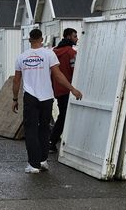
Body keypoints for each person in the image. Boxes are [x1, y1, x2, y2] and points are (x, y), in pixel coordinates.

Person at [12, 28, 82, 174]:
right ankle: (43, 161)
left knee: (31, 130)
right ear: (42, 39)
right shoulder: (49, 54)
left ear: (29, 40)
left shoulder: (21, 57)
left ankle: (33, 164)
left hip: (30, 97)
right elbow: (58, 75)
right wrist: (72, 89)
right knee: (44, 128)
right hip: (47, 97)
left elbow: (16, 81)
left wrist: (14, 99)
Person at [48, 28, 78, 153]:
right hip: (69, 88)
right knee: (65, 116)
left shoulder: (54, 52)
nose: (77, 38)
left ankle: (53, 141)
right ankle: (51, 142)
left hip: (57, 88)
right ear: (68, 37)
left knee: (63, 114)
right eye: (75, 36)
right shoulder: (71, 52)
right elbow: (75, 71)